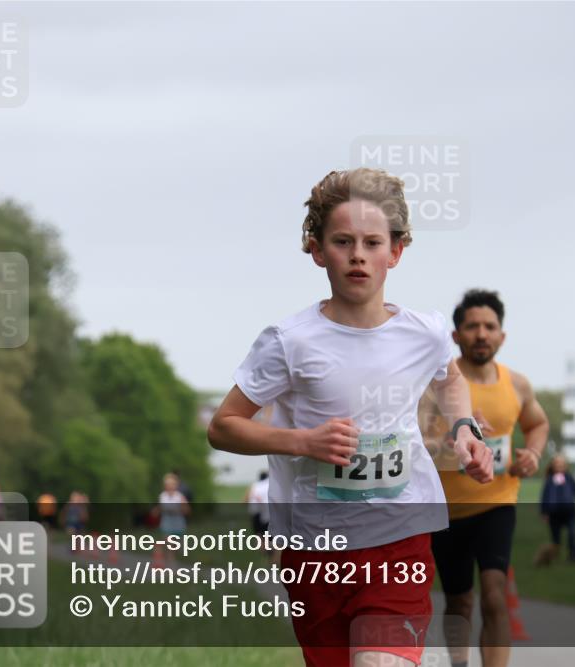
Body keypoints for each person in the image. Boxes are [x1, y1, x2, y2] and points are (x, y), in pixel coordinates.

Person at [208, 168, 493, 667]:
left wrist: (463, 428)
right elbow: (223, 426)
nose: (357, 254)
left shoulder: (423, 333)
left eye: (372, 242)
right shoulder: (288, 341)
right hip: (315, 549)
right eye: (342, 241)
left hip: (399, 538)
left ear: (396, 252)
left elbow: (450, 380)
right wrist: (303, 443)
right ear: (318, 251)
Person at [419, 289, 550, 667]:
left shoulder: (517, 384)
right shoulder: (440, 384)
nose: (481, 334)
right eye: (472, 326)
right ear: (456, 336)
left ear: (501, 336)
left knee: (494, 594)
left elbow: (538, 423)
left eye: (489, 326)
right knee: (459, 600)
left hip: (497, 502)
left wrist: (534, 454)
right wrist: (449, 438)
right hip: (446, 511)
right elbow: (417, 440)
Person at [538, 454, 575, 563]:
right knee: (556, 540)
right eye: (557, 463)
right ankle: (554, 558)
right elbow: (544, 496)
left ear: (566, 466)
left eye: (562, 464)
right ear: (553, 466)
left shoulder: (570, 479)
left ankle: (572, 556)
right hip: (554, 514)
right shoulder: (549, 480)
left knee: (572, 534)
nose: (559, 466)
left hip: (570, 513)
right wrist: (544, 512)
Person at [155, 472, 190, 537]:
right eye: (168, 484)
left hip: (178, 524)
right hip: (167, 523)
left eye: (172, 484)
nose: (170, 486)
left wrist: (183, 506)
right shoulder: (162, 496)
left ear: (176, 485)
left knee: (178, 544)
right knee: (169, 543)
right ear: (165, 485)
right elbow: (159, 509)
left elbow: (187, 511)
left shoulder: (180, 496)